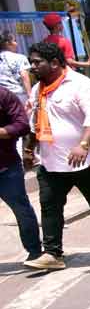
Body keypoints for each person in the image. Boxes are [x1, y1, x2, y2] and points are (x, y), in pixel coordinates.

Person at [22, 42, 90, 270]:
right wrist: (29, 150)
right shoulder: (39, 90)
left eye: (37, 62)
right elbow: (34, 123)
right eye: (31, 63)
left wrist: (83, 144)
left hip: (89, 160)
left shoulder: (81, 85)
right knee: (49, 206)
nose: (33, 67)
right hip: (51, 162)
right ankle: (52, 253)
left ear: (55, 63)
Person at [0, 85, 40, 265]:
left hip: (6, 167)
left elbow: (22, 124)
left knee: (22, 210)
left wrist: (2, 132)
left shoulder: (4, 95)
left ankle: (35, 251)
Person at [0, 33, 30, 99]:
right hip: (17, 95)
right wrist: (30, 96)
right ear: (8, 43)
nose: (16, 44)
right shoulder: (20, 57)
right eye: (15, 41)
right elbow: (24, 76)